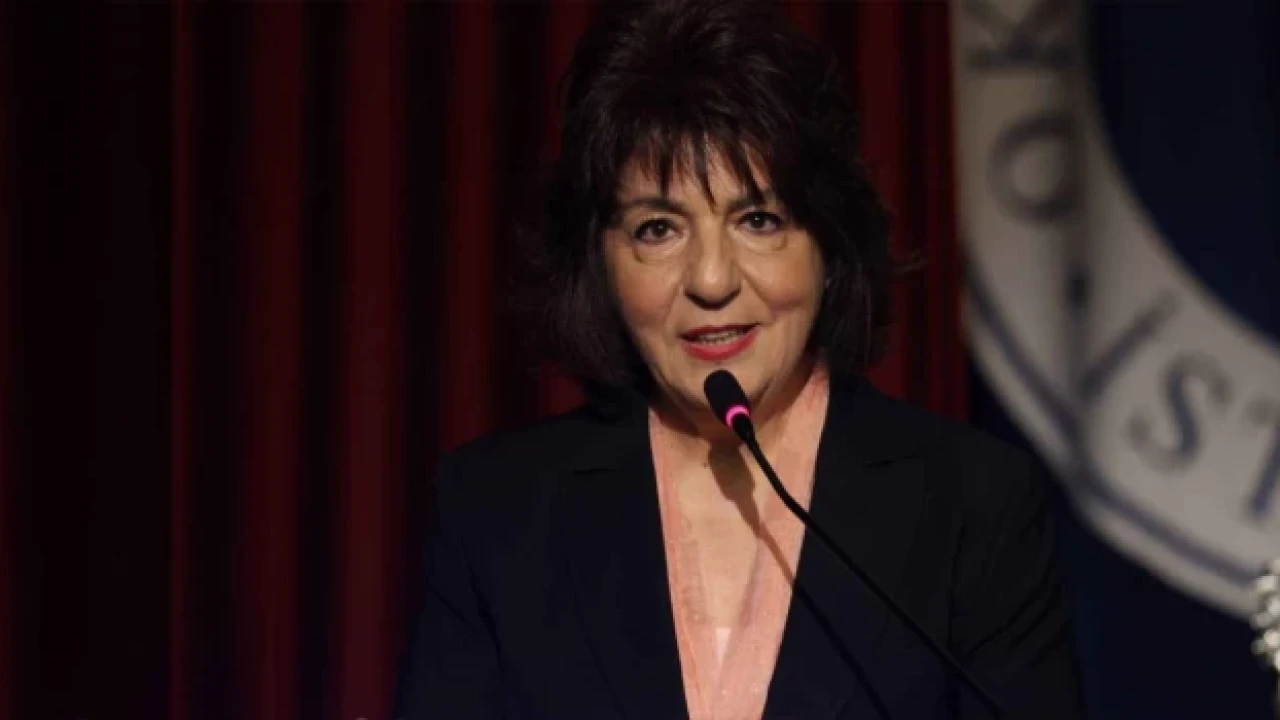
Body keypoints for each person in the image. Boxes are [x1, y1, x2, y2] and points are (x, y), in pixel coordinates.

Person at [396, 0, 1084, 717]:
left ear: (828, 246)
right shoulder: (498, 512)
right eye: (658, 229)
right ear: (600, 262)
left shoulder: (974, 507)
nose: (711, 279)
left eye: (758, 220)